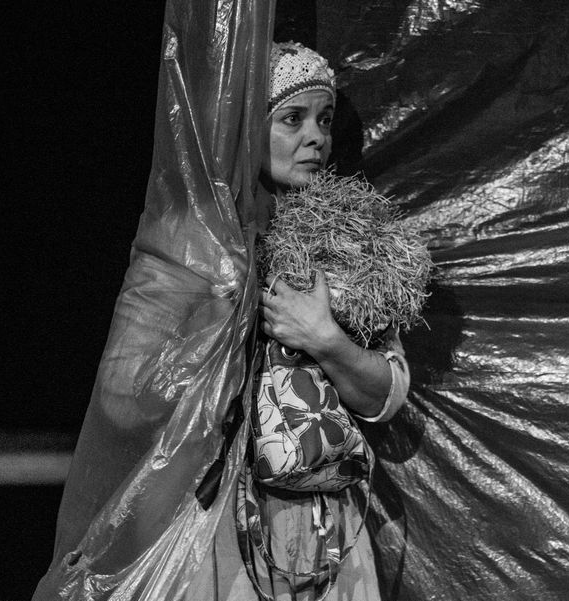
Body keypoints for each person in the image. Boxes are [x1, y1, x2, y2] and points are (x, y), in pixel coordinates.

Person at [186, 41, 411, 601]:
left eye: (325, 120)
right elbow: (131, 395)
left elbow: (387, 393)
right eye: (292, 119)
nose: (316, 137)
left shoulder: (346, 243)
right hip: (213, 525)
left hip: (319, 525)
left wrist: (326, 339)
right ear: (245, 129)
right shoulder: (196, 242)